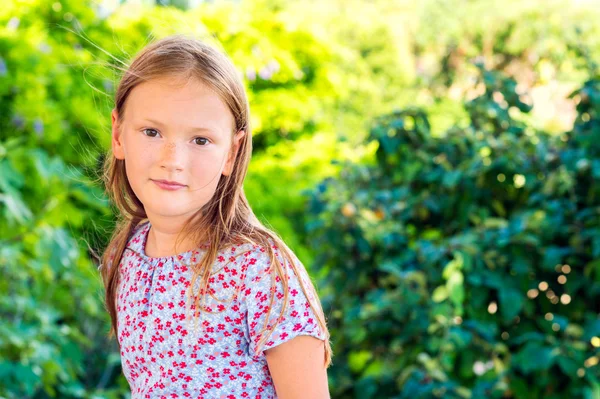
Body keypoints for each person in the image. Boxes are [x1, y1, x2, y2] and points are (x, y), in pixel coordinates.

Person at [99, 35, 332, 399]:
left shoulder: (261, 271)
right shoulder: (126, 255)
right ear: (118, 134)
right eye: (151, 132)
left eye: (201, 140)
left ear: (231, 152)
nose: (172, 159)